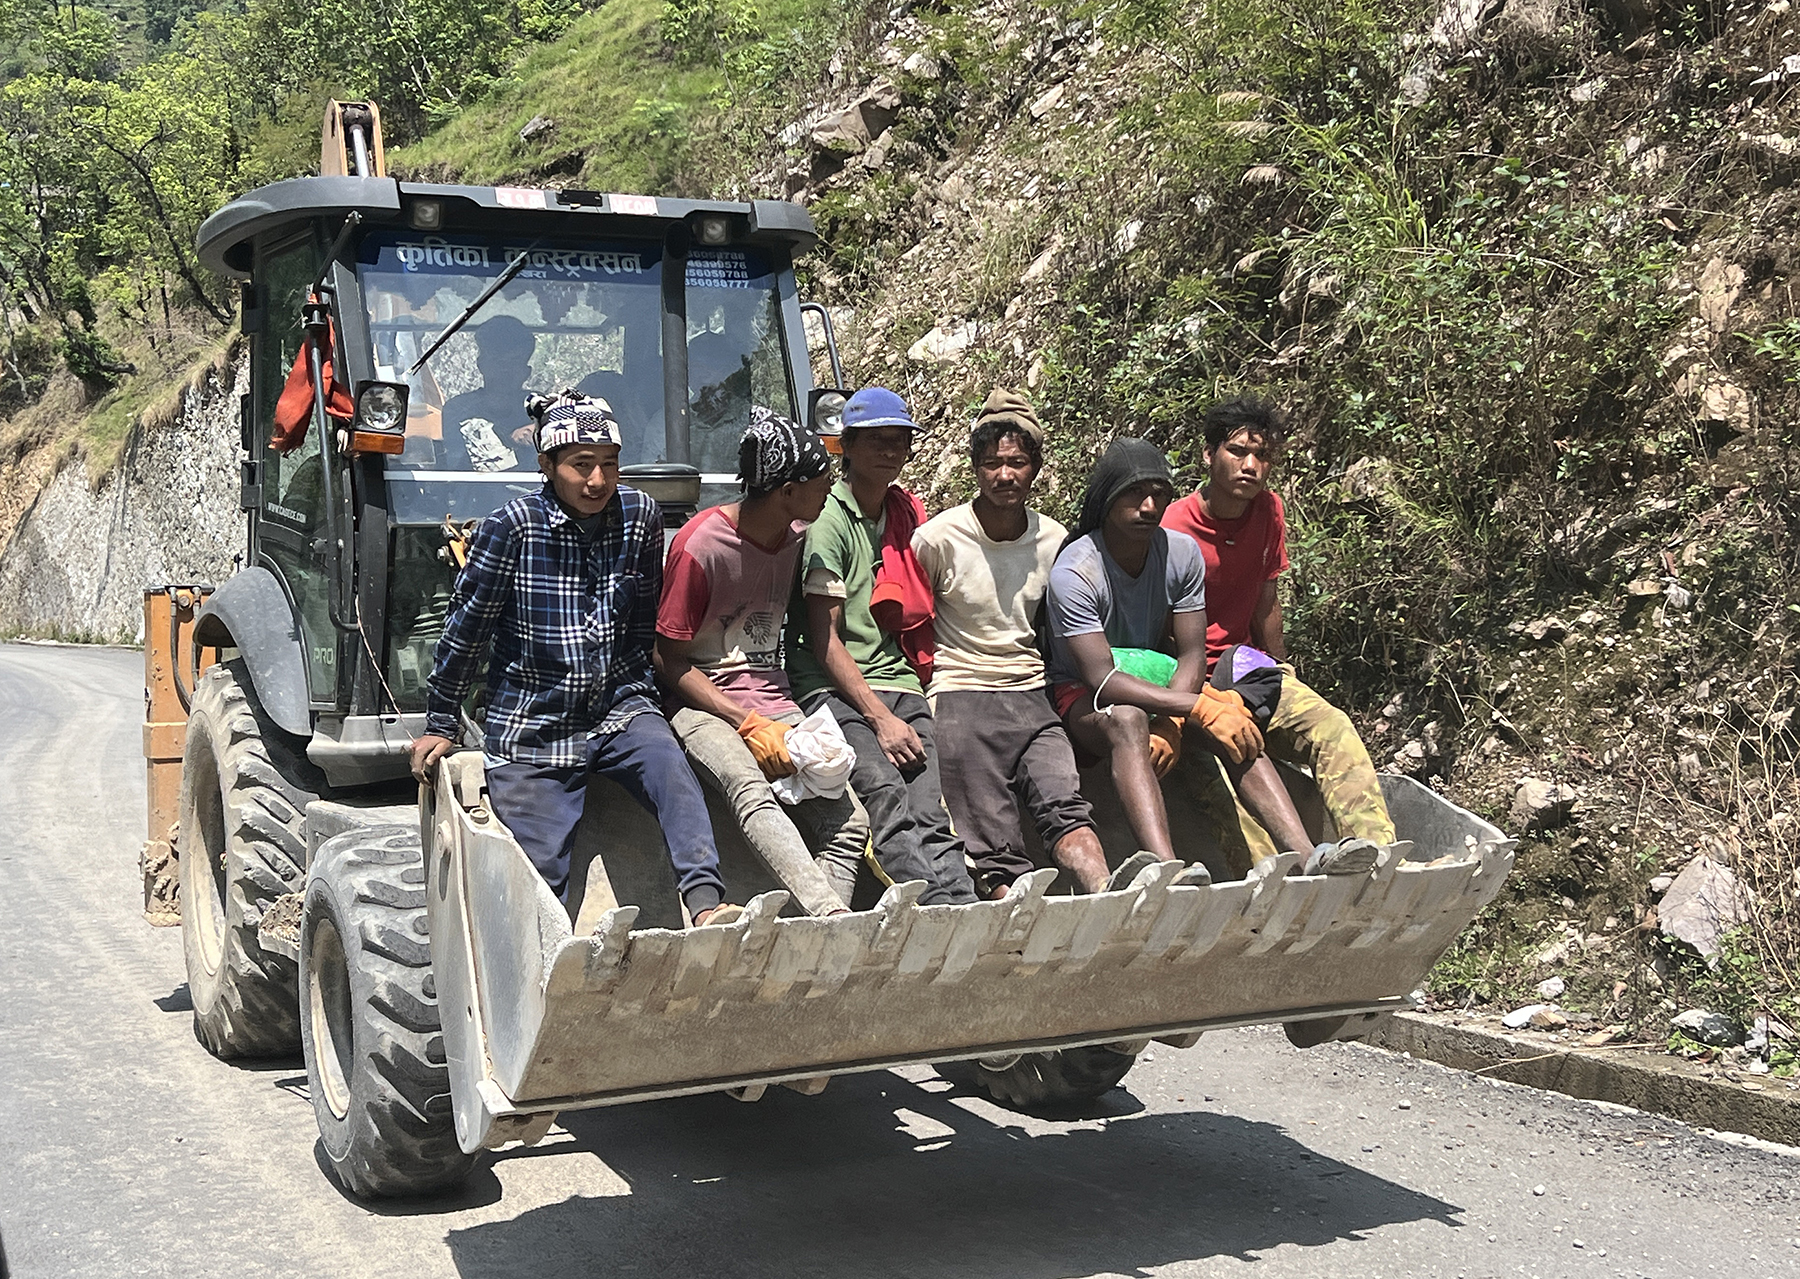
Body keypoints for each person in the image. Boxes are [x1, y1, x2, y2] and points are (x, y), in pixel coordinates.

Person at [410, 389, 742, 927]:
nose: (597, 481)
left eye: (609, 465)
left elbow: (640, 623)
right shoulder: (511, 529)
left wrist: (646, 702)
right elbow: (467, 630)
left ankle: (707, 905)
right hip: (534, 722)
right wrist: (442, 720)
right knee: (537, 878)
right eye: (581, 466)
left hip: (617, 709)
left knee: (671, 771)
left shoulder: (639, 517)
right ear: (546, 465)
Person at [1045, 437, 1378, 876]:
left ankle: (1305, 854)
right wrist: (1195, 705)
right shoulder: (1076, 570)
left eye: (1159, 495)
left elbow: (1191, 653)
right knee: (1129, 719)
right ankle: (1166, 869)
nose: (1148, 507)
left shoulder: (1180, 554)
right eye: (1134, 494)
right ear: (1106, 498)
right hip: (1085, 694)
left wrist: (1179, 722)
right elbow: (1103, 679)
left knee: (1232, 721)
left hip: (1159, 680)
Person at [656, 407, 869, 914]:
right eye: (821, 481)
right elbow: (668, 659)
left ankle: (815, 934)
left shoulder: (797, 540)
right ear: (787, 491)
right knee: (750, 788)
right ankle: (831, 918)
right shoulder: (700, 547)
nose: (830, 489)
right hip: (705, 702)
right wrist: (744, 722)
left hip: (773, 697)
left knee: (848, 822)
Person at [1161, 397, 1396, 858]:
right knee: (1221, 784)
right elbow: (1156, 632)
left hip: (1247, 668)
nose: (1250, 465)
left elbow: (1266, 599)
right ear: (1208, 455)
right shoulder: (1173, 528)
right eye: (1237, 452)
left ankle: (1377, 855)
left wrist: (1282, 668)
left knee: (1330, 726)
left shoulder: (1269, 511)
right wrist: (1185, 708)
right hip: (1191, 682)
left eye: (1262, 456)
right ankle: (1275, 881)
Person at [911, 390, 1113, 899]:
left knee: (1064, 803)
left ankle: (1109, 894)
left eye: (1018, 463)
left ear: (1036, 468)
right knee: (990, 840)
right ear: (975, 469)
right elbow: (910, 620)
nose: (1005, 476)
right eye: (993, 464)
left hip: (1031, 693)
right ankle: (1013, 909)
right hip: (960, 694)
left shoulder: (1054, 540)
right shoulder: (938, 538)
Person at [784, 387, 979, 905]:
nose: (889, 451)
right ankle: (928, 907)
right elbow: (824, 641)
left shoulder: (903, 514)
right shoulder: (827, 523)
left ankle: (964, 905)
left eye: (899, 441)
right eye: (875, 441)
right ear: (844, 445)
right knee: (886, 796)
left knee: (931, 810)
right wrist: (879, 718)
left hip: (896, 679)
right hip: (835, 689)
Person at [440, 315, 542, 471]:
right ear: (481, 365)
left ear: (526, 371)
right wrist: (510, 437)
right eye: (498, 362)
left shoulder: (541, 407)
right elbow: (458, 465)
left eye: (514, 363)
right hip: (477, 492)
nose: (505, 370)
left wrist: (543, 430)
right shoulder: (458, 409)